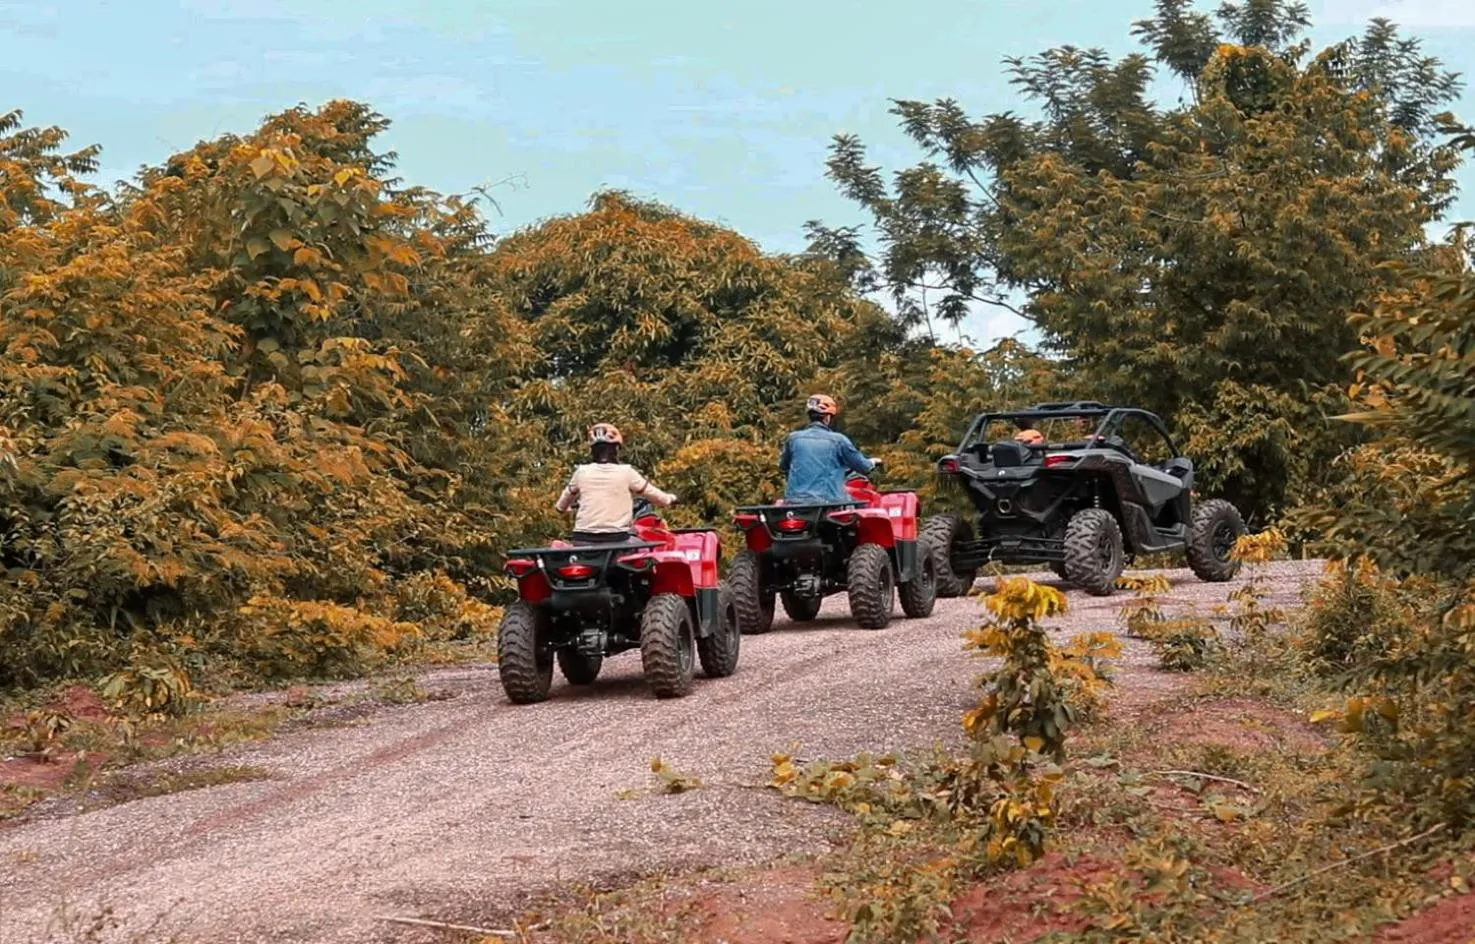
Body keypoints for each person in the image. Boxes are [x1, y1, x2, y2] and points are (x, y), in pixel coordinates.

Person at [554, 423, 676, 543]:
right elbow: (659, 497)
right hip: (616, 540)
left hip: (583, 540)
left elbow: (561, 505)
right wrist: (670, 499)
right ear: (616, 449)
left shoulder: (581, 472)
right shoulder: (626, 472)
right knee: (647, 547)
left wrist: (564, 507)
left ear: (592, 450)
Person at [780, 394, 881, 503]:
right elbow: (863, 467)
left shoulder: (793, 439)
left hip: (794, 502)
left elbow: (784, 466)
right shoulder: (838, 440)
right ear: (827, 417)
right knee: (864, 505)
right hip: (828, 502)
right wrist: (873, 462)